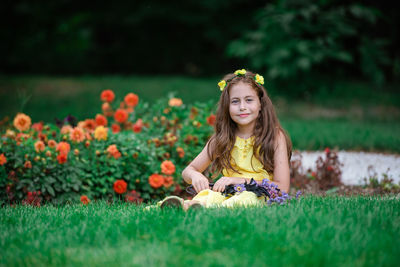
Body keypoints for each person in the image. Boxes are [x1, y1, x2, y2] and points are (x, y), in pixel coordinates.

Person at [160, 69, 292, 210]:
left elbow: (282, 188)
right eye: (235, 101)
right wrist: (195, 176)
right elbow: (188, 171)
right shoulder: (223, 138)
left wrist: (237, 181)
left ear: (260, 104)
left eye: (249, 100)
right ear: (227, 107)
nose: (242, 107)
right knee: (209, 195)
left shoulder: (275, 137)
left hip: (259, 194)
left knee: (247, 198)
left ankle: (205, 208)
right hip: (227, 193)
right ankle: (185, 206)